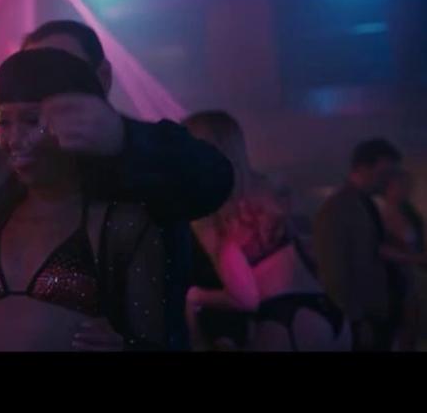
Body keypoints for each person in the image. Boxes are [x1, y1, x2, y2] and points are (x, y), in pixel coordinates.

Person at [0, 21, 235, 349]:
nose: (42, 80)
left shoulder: (143, 165)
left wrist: (123, 138)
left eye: (59, 68)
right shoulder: (2, 175)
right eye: (7, 121)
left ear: (100, 78)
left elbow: (214, 178)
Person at [182, 111, 349, 351]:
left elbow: (245, 298)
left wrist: (195, 295)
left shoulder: (210, 211)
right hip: (328, 310)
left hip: (285, 318)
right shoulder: (264, 186)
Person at [314, 138, 403, 350]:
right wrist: (354, 319)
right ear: (362, 169)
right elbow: (334, 271)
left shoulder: (365, 203)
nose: (388, 181)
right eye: (384, 174)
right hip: (362, 318)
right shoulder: (338, 207)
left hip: (375, 314)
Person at [376, 169, 426, 350]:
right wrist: (412, 258)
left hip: (415, 277)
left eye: (408, 185)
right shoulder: (379, 216)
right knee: (402, 327)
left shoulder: (410, 214)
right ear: (388, 188)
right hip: (394, 279)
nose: (406, 190)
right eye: (401, 185)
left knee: (413, 327)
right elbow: (379, 249)